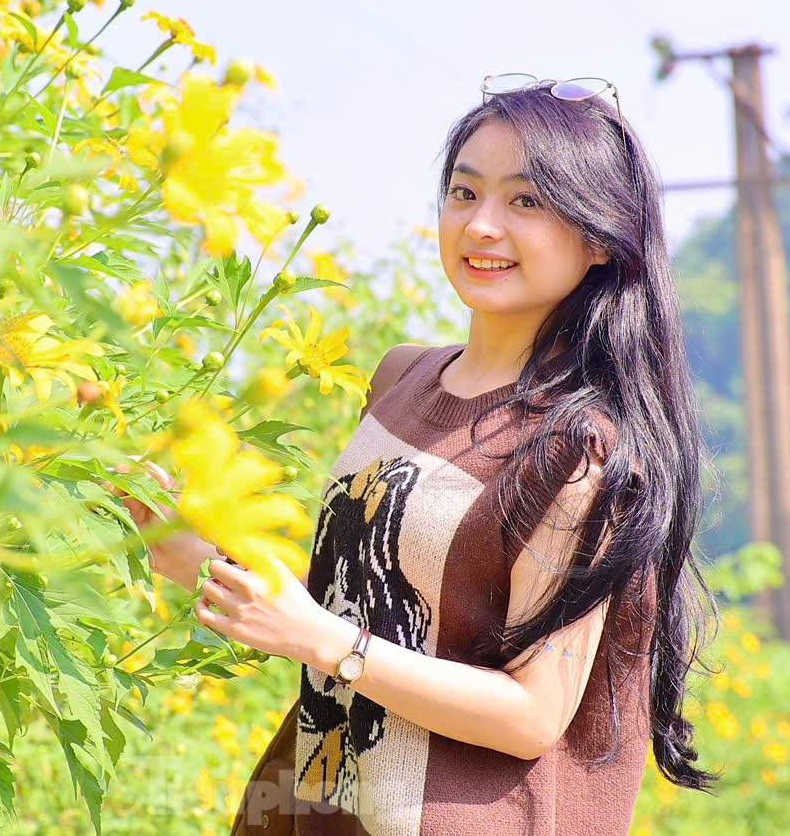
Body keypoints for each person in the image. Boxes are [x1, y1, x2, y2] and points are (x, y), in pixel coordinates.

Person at [124, 77, 722, 834]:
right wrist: (198, 559)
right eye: (464, 192)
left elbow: (534, 714)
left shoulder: (578, 452)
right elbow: (368, 602)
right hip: (326, 802)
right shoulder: (401, 376)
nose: (481, 226)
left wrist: (321, 640)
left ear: (602, 237)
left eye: (527, 202)